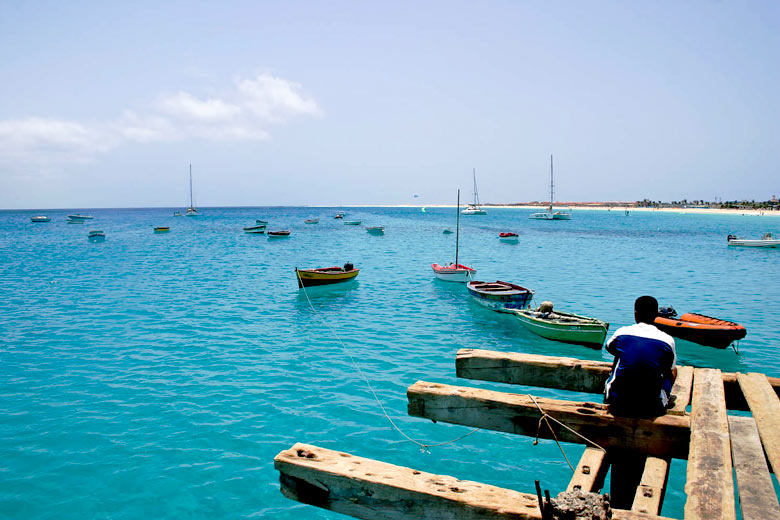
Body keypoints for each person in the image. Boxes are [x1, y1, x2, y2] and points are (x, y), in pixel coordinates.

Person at [604, 295, 677, 417]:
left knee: (620, 356)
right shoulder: (667, 340)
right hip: (650, 407)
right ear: (656, 315)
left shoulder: (622, 332)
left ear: (635, 313)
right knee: (673, 370)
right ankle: (665, 397)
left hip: (617, 403)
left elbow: (609, 348)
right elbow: (668, 368)